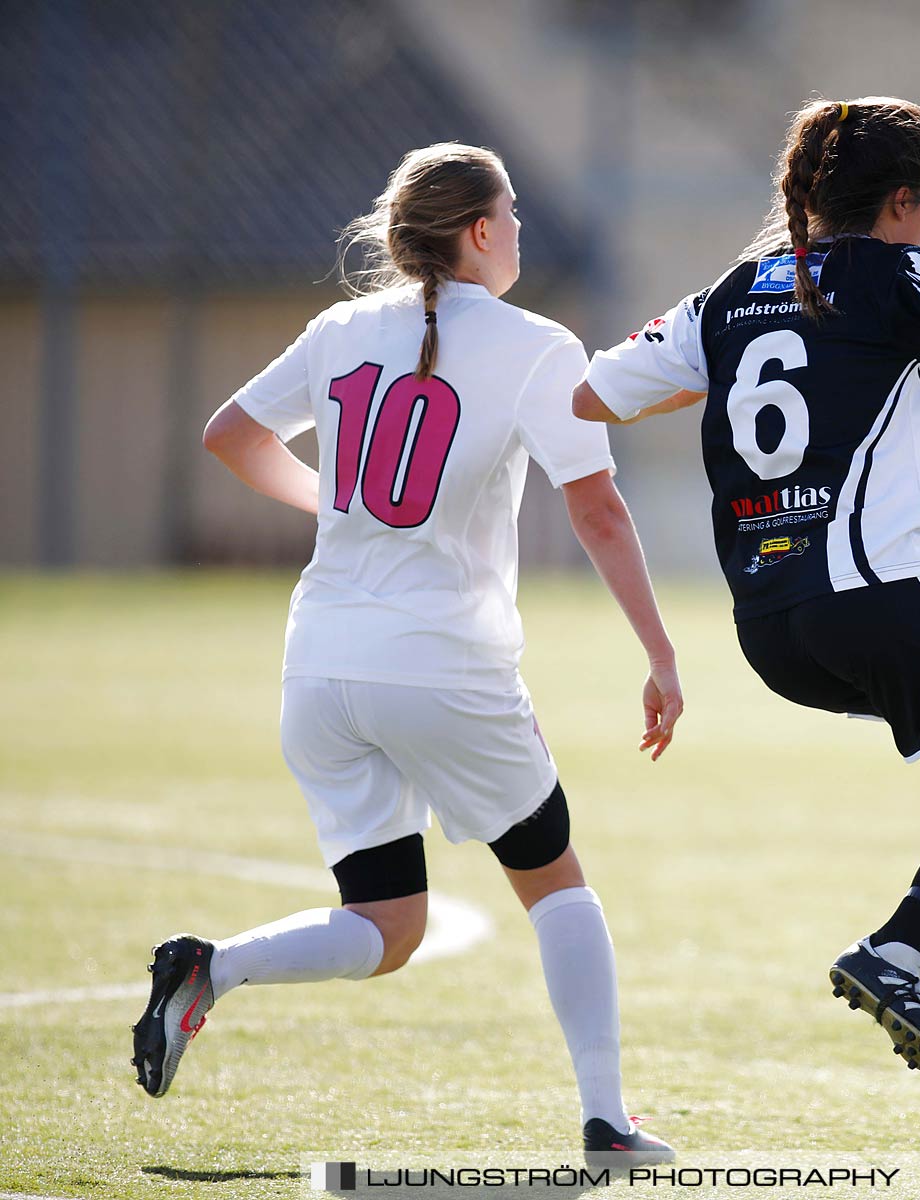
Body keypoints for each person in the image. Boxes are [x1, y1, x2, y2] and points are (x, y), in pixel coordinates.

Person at [130, 143, 680, 1163]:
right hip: (442, 667)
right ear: (477, 231)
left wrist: (338, 507)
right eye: (509, 212)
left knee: (387, 927)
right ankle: (609, 1122)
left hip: (319, 669)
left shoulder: (342, 328)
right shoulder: (537, 345)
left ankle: (214, 968)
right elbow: (598, 509)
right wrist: (661, 654)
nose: (519, 228)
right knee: (557, 884)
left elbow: (230, 435)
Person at [571, 97, 920, 1079]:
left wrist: (734, 369)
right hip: (875, 587)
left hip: (772, 627)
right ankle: (898, 951)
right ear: (903, 200)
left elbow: (591, 394)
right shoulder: (890, 272)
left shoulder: (731, 293)